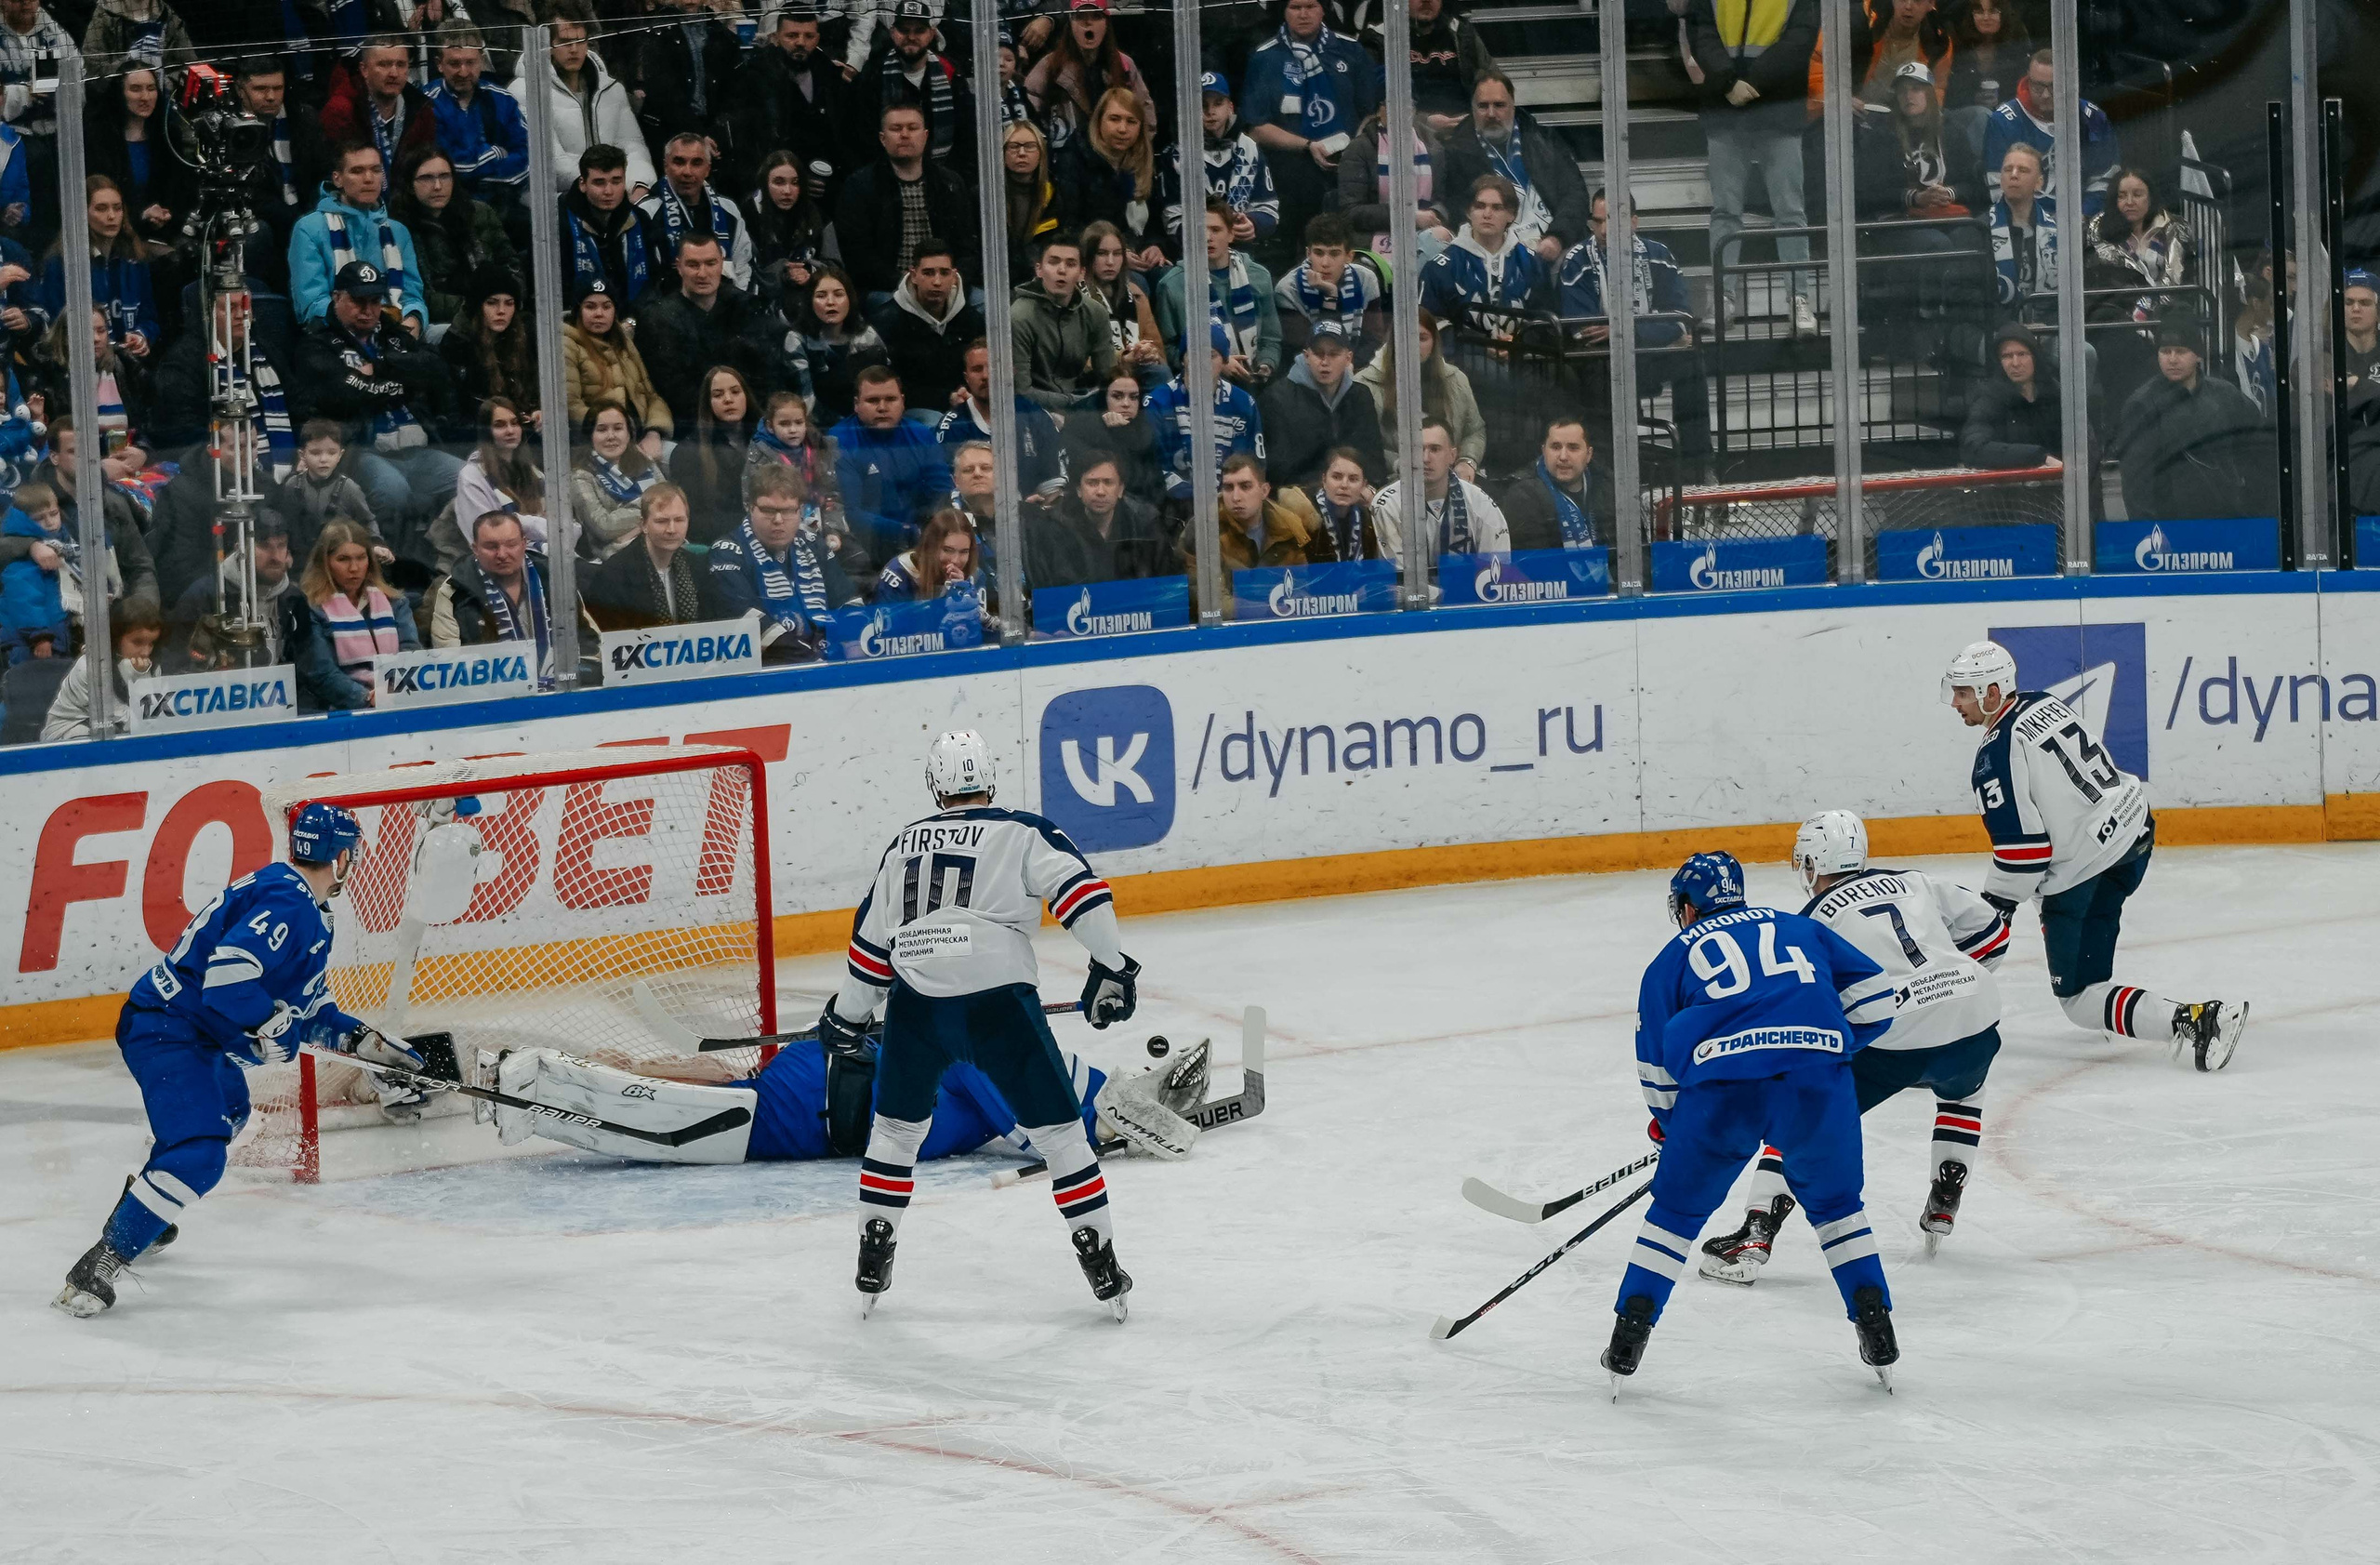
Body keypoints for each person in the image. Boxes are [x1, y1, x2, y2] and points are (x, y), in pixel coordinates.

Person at [50, 802, 430, 1317]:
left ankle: (143, 1212)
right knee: (201, 1153)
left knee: (230, 1111)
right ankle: (100, 1263)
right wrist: (268, 1025)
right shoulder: (290, 901)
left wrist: (364, 1041)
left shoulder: (304, 906)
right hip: (167, 1029)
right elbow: (227, 977)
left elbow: (310, 1007)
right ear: (340, 858)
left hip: (189, 1032)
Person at [817, 728, 1144, 1315]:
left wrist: (845, 1016)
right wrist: (1112, 968)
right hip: (999, 1004)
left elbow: (870, 946)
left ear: (934, 786)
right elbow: (1083, 896)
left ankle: (874, 1251)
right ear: (990, 779)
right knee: (1063, 1139)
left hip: (916, 1005)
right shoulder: (1022, 831)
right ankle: (1099, 1262)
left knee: (895, 1132)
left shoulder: (903, 846)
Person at [1605, 850, 1901, 1389]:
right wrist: (1826, 1046)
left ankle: (1629, 1336)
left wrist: (1671, 1125)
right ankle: (1875, 1322)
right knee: (1838, 1210)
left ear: (1689, 907)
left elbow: (1655, 1065)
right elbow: (1878, 1001)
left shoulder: (1670, 959)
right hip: (1816, 1084)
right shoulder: (1798, 927)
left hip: (1722, 1094)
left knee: (1674, 1216)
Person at [1699, 810, 2010, 1284]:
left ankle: (1756, 1232)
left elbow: (1806, 1004)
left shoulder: (1810, 922)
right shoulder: (1916, 881)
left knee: (1799, 1120)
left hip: (1892, 1034)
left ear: (1811, 864)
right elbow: (1994, 930)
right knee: (1966, 1088)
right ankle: (1947, 1189)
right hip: (1973, 1007)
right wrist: (1944, 984)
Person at [1940, 639, 2247, 1068]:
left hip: (2085, 870)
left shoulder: (1994, 756)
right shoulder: (2043, 702)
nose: (1954, 703)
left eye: (1963, 692)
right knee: (2093, 972)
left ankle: (2194, 1020)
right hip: (2133, 834)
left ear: (1993, 692)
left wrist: (1995, 908)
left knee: (2078, 997)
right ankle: (2123, 1004)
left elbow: (2024, 852)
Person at [479, 1024, 1209, 1174]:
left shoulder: (966, 1053)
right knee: (682, 1113)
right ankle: (530, 1080)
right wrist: (1078, 1141)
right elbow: (1023, 1113)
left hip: (812, 1084)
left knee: (718, 1087)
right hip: (813, 1098)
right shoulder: (970, 1059)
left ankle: (549, 1073)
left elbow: (1021, 1098)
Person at [1685, 0, 1818, 335]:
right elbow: (1701, 31)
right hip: (1730, 107)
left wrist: (1748, 83)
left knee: (1788, 210)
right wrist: (1730, 82)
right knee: (1727, 210)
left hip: (1773, 110)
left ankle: (1798, 299)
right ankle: (1724, 298)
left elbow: (1801, 38)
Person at [1555, 190, 1710, 467]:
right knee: (1597, 359)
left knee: (1690, 360)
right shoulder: (1576, 260)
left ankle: (1698, 465)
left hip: (1646, 356)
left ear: (1634, 222)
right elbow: (1583, 331)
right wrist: (1657, 331)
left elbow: (1680, 317)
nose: (1603, 230)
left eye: (1613, 220)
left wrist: (1628, 332)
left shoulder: (1659, 255)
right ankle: (1607, 471)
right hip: (1602, 360)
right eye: (1597, 221)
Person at [1239, 0, 1379, 269]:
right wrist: (1308, 146)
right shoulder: (1265, 57)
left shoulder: (1350, 50)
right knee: (1292, 254)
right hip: (1289, 170)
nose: (1303, 14)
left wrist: (1352, 149)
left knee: (1343, 248)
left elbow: (1371, 112)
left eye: (1310, 6)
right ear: (1284, 11)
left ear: (1324, 9)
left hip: (1345, 169)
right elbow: (1256, 128)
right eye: (1295, 7)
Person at [1431, 69, 1588, 271]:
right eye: (1483, 106)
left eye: (1499, 105)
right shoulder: (1454, 154)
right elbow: (1459, 213)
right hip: (1495, 252)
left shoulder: (1544, 140)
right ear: (1472, 109)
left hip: (1556, 243)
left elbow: (1576, 194)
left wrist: (1557, 237)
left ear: (1513, 106)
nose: (1491, 114)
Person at [704, 464, 862, 660]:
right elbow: (749, 623)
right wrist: (814, 663)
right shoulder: (728, 552)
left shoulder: (814, 545)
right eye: (768, 510)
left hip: (829, 661)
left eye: (787, 511)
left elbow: (848, 602)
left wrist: (853, 650)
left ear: (801, 511)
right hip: (771, 670)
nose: (778, 520)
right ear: (750, 507)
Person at [836, 103, 983, 306]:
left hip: (948, 286)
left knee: (988, 306)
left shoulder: (950, 183)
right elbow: (859, 257)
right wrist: (907, 283)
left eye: (912, 128)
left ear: (925, 135)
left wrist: (952, 282)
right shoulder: (859, 186)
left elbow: (968, 248)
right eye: (896, 129)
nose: (904, 134)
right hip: (887, 290)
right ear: (882, 139)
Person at [507, 0, 653, 200]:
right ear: (547, 45)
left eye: (580, 41)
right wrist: (605, 184)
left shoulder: (612, 89)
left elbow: (633, 146)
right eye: (565, 42)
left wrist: (637, 184)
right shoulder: (525, 91)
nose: (574, 49)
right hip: (558, 201)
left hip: (615, 193)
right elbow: (552, 164)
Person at [2084, 166, 2196, 409]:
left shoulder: (2174, 229)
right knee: (2122, 347)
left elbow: (2183, 279)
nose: (2129, 202)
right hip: (2118, 321)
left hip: (2167, 314)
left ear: (2151, 197)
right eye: (2122, 196)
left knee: (2172, 339)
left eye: (2137, 194)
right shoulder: (2099, 233)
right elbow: (2100, 291)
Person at [290, 142, 430, 336]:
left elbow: (413, 297)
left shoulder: (399, 231)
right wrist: (369, 324)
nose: (368, 179)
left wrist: (414, 320)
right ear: (337, 179)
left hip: (396, 331)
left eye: (375, 170)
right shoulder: (309, 228)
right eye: (357, 171)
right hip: (333, 335)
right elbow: (312, 303)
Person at [637, 232, 767, 433]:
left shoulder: (745, 307)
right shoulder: (657, 319)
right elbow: (672, 390)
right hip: (692, 431)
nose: (703, 273)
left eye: (710, 263)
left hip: (750, 424)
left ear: (722, 263)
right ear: (679, 266)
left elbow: (763, 373)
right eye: (693, 265)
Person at [428, 510, 578, 681]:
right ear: (475, 549)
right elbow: (450, 666)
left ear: (524, 543)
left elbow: (588, 643)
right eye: (491, 547)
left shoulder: (554, 577)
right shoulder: (454, 590)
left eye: (511, 544)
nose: (502, 554)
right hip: (490, 696)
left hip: (560, 692)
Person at [1152, 200, 1282, 387]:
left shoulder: (1259, 276)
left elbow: (1271, 338)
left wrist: (1266, 365)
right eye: (1200, 230)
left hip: (1255, 381)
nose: (1207, 237)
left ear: (1231, 234)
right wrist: (1217, 364)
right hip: (1199, 385)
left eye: (1215, 230)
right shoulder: (1172, 285)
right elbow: (1168, 349)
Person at [726, 7, 850, 205]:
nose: (800, 42)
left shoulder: (830, 75)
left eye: (808, 36)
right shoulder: (755, 78)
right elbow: (750, 142)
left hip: (827, 185)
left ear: (817, 39)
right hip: (774, 184)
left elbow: (842, 136)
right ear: (776, 37)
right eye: (792, 35)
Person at [832, 365, 953, 561]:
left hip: (923, 542)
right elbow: (850, 513)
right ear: (856, 404)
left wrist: (930, 532)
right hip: (865, 548)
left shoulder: (921, 435)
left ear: (902, 401)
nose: (882, 407)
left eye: (890, 399)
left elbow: (941, 492)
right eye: (872, 400)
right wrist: (907, 532)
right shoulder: (839, 441)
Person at [298, 516, 419, 710]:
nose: (354, 568)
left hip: (397, 699)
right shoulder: (311, 608)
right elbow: (321, 672)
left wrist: (392, 690)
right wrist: (366, 698)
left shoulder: (395, 602)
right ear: (325, 562)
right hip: (338, 711)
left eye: (361, 558)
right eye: (343, 559)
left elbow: (412, 651)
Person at [1982, 48, 2118, 217]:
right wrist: (2038, 223)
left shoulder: (2094, 119)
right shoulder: (2003, 121)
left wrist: (2081, 217)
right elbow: (1999, 187)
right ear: (2028, 79)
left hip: (2083, 222)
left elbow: (2105, 180)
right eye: (2038, 86)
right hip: (2025, 225)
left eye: (2054, 86)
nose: (2046, 95)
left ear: (2069, 81)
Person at [1144, 323, 1264, 507]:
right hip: (1174, 508)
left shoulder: (1243, 404)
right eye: (1193, 353)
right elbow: (1153, 467)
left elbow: (1255, 466)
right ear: (1183, 359)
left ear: (1225, 361)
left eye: (1211, 355)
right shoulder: (1158, 401)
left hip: (1232, 505)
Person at [1160, 71, 1276, 260]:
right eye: (1202, 105)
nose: (1210, 112)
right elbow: (1172, 219)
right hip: (1192, 256)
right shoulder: (1175, 155)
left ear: (1230, 107)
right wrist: (1210, 231)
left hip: (1243, 253)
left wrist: (1253, 224)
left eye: (1218, 103)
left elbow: (1269, 208)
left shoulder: (1250, 149)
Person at [1259, 319, 1384, 492]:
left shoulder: (1360, 396)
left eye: (1333, 354)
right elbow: (1279, 470)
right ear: (1306, 356)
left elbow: (1373, 458)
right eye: (1318, 353)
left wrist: (1370, 488)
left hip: (1353, 492)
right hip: (1300, 495)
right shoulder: (1277, 398)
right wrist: (1326, 490)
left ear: (1348, 358)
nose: (1325, 362)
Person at [1355, 311, 1484, 479]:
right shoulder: (1364, 384)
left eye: (1422, 338)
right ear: (1394, 342)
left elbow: (1474, 430)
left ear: (1434, 342)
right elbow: (1361, 445)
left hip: (1451, 477)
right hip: (1391, 480)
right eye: (1406, 338)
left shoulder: (1456, 379)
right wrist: (1399, 464)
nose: (1413, 345)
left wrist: (1467, 461)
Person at [850, 0, 974, 175]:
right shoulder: (873, 77)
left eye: (919, 30)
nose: (911, 37)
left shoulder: (951, 75)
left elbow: (965, 134)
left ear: (931, 34)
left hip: (944, 176)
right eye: (904, 30)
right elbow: (864, 138)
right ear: (893, 33)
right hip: (885, 178)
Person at [37, 176, 154, 359]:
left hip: (129, 366)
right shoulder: (62, 263)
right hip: (80, 364)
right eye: (101, 208)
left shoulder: (134, 259)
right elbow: (54, 324)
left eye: (117, 208)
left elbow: (150, 317)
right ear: (82, 213)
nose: (111, 216)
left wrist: (141, 336)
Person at [423, 23, 529, 221]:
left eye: (470, 63)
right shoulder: (427, 103)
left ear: (481, 60)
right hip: (447, 208)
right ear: (439, 64)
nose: (463, 72)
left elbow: (526, 160)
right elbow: (444, 165)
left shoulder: (502, 99)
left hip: (503, 203)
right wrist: (494, 153)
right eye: (454, 64)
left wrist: (475, 171)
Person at [1051, 86, 1165, 272]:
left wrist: (1155, 246)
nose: (1122, 129)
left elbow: (1156, 225)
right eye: (1114, 119)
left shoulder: (1144, 163)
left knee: (1171, 280)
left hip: (1139, 258)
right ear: (1098, 121)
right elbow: (1069, 226)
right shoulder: (1074, 158)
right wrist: (1116, 254)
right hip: (1093, 262)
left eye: (1131, 122)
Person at [869, 239, 985, 418]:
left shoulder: (972, 319)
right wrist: (946, 398)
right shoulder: (887, 321)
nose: (937, 281)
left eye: (944, 273)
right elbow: (887, 384)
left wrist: (966, 393)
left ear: (954, 276)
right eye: (928, 273)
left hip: (966, 401)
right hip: (913, 409)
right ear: (913, 275)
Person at [939, 338, 1065, 499]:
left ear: (1010, 371)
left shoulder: (1035, 416)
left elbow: (1053, 489)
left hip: (1033, 518)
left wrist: (1036, 513)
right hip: (973, 519)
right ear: (967, 377)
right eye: (977, 369)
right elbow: (951, 494)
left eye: (993, 367)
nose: (985, 375)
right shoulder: (951, 426)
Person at [1372, 416, 1509, 564]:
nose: (1425, 458)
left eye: (1435, 449)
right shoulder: (1387, 505)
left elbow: (1498, 568)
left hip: (1468, 586)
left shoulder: (1480, 503)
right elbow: (1397, 578)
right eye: (1418, 449)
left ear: (1452, 455)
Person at [1024, 0, 1155, 153]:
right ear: (1070, 24)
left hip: (1115, 162)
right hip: (1065, 165)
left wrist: (1134, 155)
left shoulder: (1124, 64)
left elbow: (1145, 113)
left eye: (1096, 16)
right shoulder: (1049, 66)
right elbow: (1028, 116)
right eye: (1080, 17)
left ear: (1106, 24)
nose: (1088, 24)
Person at [80, 66, 188, 252]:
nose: (145, 97)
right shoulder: (98, 138)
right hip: (113, 234)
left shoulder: (170, 136)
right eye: (136, 89)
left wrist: (166, 215)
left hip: (163, 231)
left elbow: (181, 192)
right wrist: (141, 214)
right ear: (120, 94)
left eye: (151, 89)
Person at [1010, 232, 1118, 413]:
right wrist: (1075, 403)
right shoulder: (1018, 317)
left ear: (1082, 273)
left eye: (1071, 264)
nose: (1062, 270)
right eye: (1053, 262)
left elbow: (1109, 378)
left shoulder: (1095, 313)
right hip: (1033, 411)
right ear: (1039, 269)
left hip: (1081, 404)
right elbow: (1020, 391)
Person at [1419, 174, 1544, 329]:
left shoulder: (1531, 263)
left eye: (1497, 208)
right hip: (1462, 353)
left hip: (1520, 353)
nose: (1487, 214)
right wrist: (1480, 346)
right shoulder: (1439, 268)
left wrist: (1518, 343)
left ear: (1511, 215)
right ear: (1468, 212)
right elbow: (1428, 329)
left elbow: (1544, 323)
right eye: (1480, 206)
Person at [1958, 322, 2086, 472]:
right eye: (2007, 356)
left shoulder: (2055, 394)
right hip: (2008, 489)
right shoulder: (1989, 398)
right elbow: (1974, 448)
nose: (2015, 363)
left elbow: (2086, 449)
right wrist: (2039, 457)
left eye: (2022, 354)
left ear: (2035, 357)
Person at [780, 263, 891, 430]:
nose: (830, 302)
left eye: (839, 295)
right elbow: (806, 402)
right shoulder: (797, 339)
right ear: (810, 301)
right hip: (820, 428)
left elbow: (884, 389)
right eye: (821, 296)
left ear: (849, 300)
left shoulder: (866, 334)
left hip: (868, 424)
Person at [640, 132, 754, 292]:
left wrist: (736, 308)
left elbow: (743, 267)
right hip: (668, 308)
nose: (687, 171)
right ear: (666, 166)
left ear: (707, 169)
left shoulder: (728, 209)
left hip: (724, 306)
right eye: (679, 162)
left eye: (696, 163)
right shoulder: (645, 212)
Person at [630, 0, 742, 161]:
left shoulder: (722, 36)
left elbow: (734, 93)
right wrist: (699, 134)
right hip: (668, 133)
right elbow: (665, 93)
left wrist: (716, 133)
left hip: (714, 132)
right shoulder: (658, 33)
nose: (689, 0)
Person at [585, 481, 704, 630]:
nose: (672, 529)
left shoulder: (698, 566)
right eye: (662, 521)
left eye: (679, 520)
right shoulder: (614, 574)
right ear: (644, 525)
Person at [323, 35, 440, 183]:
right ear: (364, 69)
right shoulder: (341, 112)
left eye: (401, 64)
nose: (394, 73)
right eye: (384, 64)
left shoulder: (422, 109)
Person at [38, 598, 160, 741]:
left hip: (112, 732)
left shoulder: (152, 666)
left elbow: (152, 714)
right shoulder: (90, 667)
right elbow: (121, 718)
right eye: (137, 642)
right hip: (67, 731)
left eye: (151, 643)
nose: (146, 652)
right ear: (116, 638)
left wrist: (142, 674)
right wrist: (139, 677)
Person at [1362, 0, 1494, 131]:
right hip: (1405, 133)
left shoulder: (1462, 33)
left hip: (1466, 128)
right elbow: (1371, 105)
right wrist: (1422, 121)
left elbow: (1494, 82)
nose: (1427, 1)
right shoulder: (1378, 39)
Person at [562, 279, 670, 437]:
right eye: (590, 306)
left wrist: (654, 432)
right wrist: (615, 431)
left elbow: (651, 396)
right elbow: (570, 406)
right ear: (578, 311)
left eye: (606, 307)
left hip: (640, 437)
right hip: (600, 440)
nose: (599, 313)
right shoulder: (567, 345)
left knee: (680, 455)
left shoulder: (624, 343)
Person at [445, 395, 547, 564]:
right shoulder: (472, 476)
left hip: (546, 554)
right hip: (503, 563)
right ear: (487, 432)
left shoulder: (533, 471)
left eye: (514, 423)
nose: (510, 431)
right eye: (500, 425)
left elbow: (568, 529)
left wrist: (518, 521)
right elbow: (489, 536)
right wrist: (537, 525)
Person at [437, 266, 538, 431]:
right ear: (477, 306)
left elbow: (539, 389)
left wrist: (538, 411)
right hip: (478, 437)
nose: (501, 311)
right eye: (492, 303)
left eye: (509, 303)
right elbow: (456, 413)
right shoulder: (458, 344)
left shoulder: (527, 335)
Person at [1339, 106, 1447, 258]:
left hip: (1424, 232)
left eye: (1407, 104)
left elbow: (1443, 198)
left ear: (1414, 110)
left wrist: (1434, 214)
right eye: (1389, 104)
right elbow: (1350, 212)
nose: (1399, 110)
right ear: (1380, 110)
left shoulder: (1433, 147)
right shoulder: (1359, 148)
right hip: (1369, 240)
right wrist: (1408, 216)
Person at [1190, 449, 1320, 575]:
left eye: (1245, 487)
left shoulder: (1288, 527)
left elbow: (1300, 586)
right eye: (1228, 488)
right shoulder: (1204, 530)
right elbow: (1200, 590)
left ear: (1264, 491)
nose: (1236, 497)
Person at [562, 143, 663, 305]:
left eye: (616, 181)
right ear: (583, 184)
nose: (608, 191)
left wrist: (632, 321)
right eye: (599, 182)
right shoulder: (559, 221)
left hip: (632, 321)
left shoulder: (639, 219)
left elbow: (652, 281)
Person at [669, 364, 759, 545]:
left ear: (746, 396)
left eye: (735, 392)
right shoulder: (688, 452)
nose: (728, 399)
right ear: (707, 402)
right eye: (718, 395)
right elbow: (695, 519)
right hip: (725, 543)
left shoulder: (768, 441)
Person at [1499, 415, 1616, 552]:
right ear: (1544, 451)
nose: (1563, 456)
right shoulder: (1522, 495)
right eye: (1555, 447)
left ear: (1589, 455)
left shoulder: (1609, 485)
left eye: (1573, 448)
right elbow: (1534, 565)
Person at [1274, 211, 1383, 357]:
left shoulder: (1366, 279)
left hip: (1357, 366)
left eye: (1334, 254)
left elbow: (1373, 341)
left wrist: (1349, 369)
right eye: (1319, 253)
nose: (1325, 263)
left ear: (1349, 256)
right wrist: (1330, 296)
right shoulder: (1288, 289)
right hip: (1309, 369)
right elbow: (1311, 350)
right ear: (1308, 254)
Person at [1050, 450, 1166, 583]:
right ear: (1078, 490)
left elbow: (1167, 583)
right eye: (1092, 483)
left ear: (1121, 489)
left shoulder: (1144, 522)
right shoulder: (1058, 527)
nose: (1100, 491)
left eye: (1108, 482)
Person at [1064, 370, 1166, 510]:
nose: (1126, 404)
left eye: (1134, 397)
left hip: (1146, 509)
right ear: (1104, 398)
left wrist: (1124, 432)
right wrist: (1118, 435)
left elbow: (1155, 484)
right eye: (1117, 397)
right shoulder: (1082, 427)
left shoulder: (1145, 429)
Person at [573, 404, 661, 561]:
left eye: (618, 428)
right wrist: (651, 510)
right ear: (590, 435)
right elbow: (604, 526)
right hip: (614, 555)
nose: (611, 436)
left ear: (628, 434)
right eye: (602, 429)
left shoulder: (644, 461)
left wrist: (636, 526)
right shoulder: (581, 476)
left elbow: (670, 502)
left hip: (660, 541)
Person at [1080, 220, 1165, 382]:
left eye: (1117, 254)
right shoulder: (1074, 298)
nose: (1110, 262)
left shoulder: (1136, 294)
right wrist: (1122, 359)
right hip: (1095, 377)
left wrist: (1147, 352)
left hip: (1133, 372)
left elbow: (1157, 348)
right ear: (1088, 256)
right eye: (1102, 253)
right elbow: (1077, 360)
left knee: (1159, 372)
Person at [746, 151, 831, 302]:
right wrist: (784, 272)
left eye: (795, 182)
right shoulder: (747, 214)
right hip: (764, 299)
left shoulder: (815, 214)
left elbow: (834, 265)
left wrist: (809, 271)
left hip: (811, 295)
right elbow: (748, 269)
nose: (787, 191)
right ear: (765, 183)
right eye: (779, 182)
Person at [1987, 140, 2055, 310]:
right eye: (2008, 170)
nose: (2014, 175)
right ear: (2001, 178)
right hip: (1997, 329)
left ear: (2039, 182)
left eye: (2023, 170)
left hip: (2047, 328)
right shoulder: (1981, 229)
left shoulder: (2057, 232)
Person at [876, 504, 984, 602]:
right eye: (947, 550)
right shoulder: (899, 573)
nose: (955, 560)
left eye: (964, 552)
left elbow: (979, 622)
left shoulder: (974, 576)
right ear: (931, 546)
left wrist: (961, 596)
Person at [1942, 0, 2029, 119]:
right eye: (1979, 11)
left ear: (2004, 15)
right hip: (1963, 119)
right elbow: (1950, 95)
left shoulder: (2015, 51)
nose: (1986, 17)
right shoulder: (1958, 49)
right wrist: (1974, 99)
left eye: (1993, 11)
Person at [999, 121, 1060, 283]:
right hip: (999, 278)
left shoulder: (1054, 193)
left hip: (1039, 276)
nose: (1021, 152)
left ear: (1041, 152)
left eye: (1029, 146)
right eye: (1013, 146)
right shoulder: (986, 195)